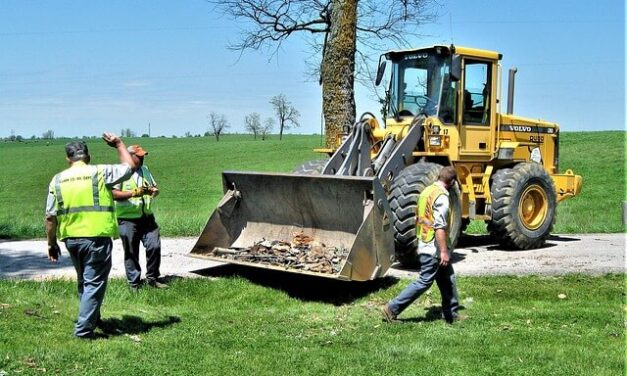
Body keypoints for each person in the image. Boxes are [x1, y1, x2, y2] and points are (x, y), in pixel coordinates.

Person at [45, 133, 138, 339]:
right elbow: (130, 167)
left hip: (71, 239)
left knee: (85, 283)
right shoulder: (100, 172)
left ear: (68, 159)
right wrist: (119, 144)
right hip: (96, 237)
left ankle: (93, 319)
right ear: (88, 156)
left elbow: (50, 217)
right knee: (94, 284)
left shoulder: (57, 179)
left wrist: (51, 244)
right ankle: (83, 331)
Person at [382, 166, 463, 324]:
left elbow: (418, 218)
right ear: (452, 182)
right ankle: (392, 308)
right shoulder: (442, 198)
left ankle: (451, 314)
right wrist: (444, 252)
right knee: (425, 281)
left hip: (425, 242)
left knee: (448, 277)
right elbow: (439, 227)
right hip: (433, 248)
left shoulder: (426, 192)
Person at [112, 144, 167, 290]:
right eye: (139, 156)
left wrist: (154, 191)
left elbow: (154, 187)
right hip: (128, 218)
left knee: (154, 246)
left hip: (147, 217)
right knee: (131, 252)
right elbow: (114, 194)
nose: (142, 158)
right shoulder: (120, 172)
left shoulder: (145, 170)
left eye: (143, 156)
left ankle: (152, 278)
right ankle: (134, 284)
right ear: (130, 156)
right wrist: (135, 193)